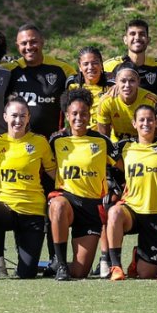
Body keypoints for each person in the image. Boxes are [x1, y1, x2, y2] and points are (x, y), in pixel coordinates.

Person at [0, 96, 57, 279]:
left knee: (27, 274)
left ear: (28, 118)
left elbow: (54, 174)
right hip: (6, 209)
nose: (18, 120)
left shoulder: (40, 142)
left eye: (22, 116)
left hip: (33, 211)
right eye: (14, 115)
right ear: (5, 117)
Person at [48, 88, 118, 280]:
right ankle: (61, 264)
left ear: (90, 115)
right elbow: (42, 165)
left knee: (80, 273)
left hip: (91, 207)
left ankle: (53, 266)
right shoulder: (56, 140)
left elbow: (122, 166)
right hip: (68, 200)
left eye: (84, 113)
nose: (79, 117)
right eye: (75, 114)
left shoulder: (102, 141)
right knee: (58, 204)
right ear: (67, 115)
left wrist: (118, 191)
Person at [105, 105, 157, 280]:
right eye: (142, 120)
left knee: (147, 274)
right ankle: (115, 266)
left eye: (150, 119)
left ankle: (138, 257)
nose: (146, 123)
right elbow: (109, 164)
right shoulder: (124, 147)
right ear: (134, 123)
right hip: (131, 209)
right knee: (114, 212)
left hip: (156, 212)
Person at [3, 23, 76, 136]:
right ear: (17, 46)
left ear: (42, 42)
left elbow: (81, 96)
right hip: (17, 142)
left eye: (33, 42)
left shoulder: (63, 69)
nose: (29, 47)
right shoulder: (8, 71)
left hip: (51, 142)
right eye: (24, 43)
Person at [96, 63, 157, 143]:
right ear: (116, 81)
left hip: (144, 145)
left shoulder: (151, 101)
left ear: (138, 81)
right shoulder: (107, 101)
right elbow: (103, 138)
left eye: (132, 81)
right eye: (123, 81)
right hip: (117, 145)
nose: (127, 85)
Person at [104, 18, 157, 96]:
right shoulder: (109, 66)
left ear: (148, 40)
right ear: (125, 40)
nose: (137, 37)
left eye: (142, 34)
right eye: (132, 34)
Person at [67, 46, 111, 118]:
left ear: (101, 64)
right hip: (82, 128)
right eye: (85, 64)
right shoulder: (72, 84)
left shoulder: (112, 84)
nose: (90, 67)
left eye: (95, 63)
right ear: (80, 67)